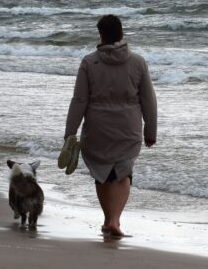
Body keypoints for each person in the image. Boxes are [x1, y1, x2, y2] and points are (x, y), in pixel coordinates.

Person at [64, 14, 157, 238]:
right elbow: (148, 99)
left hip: (98, 127)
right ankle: (114, 220)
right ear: (121, 33)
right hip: (129, 126)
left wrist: (70, 132)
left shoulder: (89, 62)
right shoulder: (138, 61)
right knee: (124, 173)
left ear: (101, 35)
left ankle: (109, 220)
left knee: (102, 173)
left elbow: (80, 100)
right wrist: (150, 130)